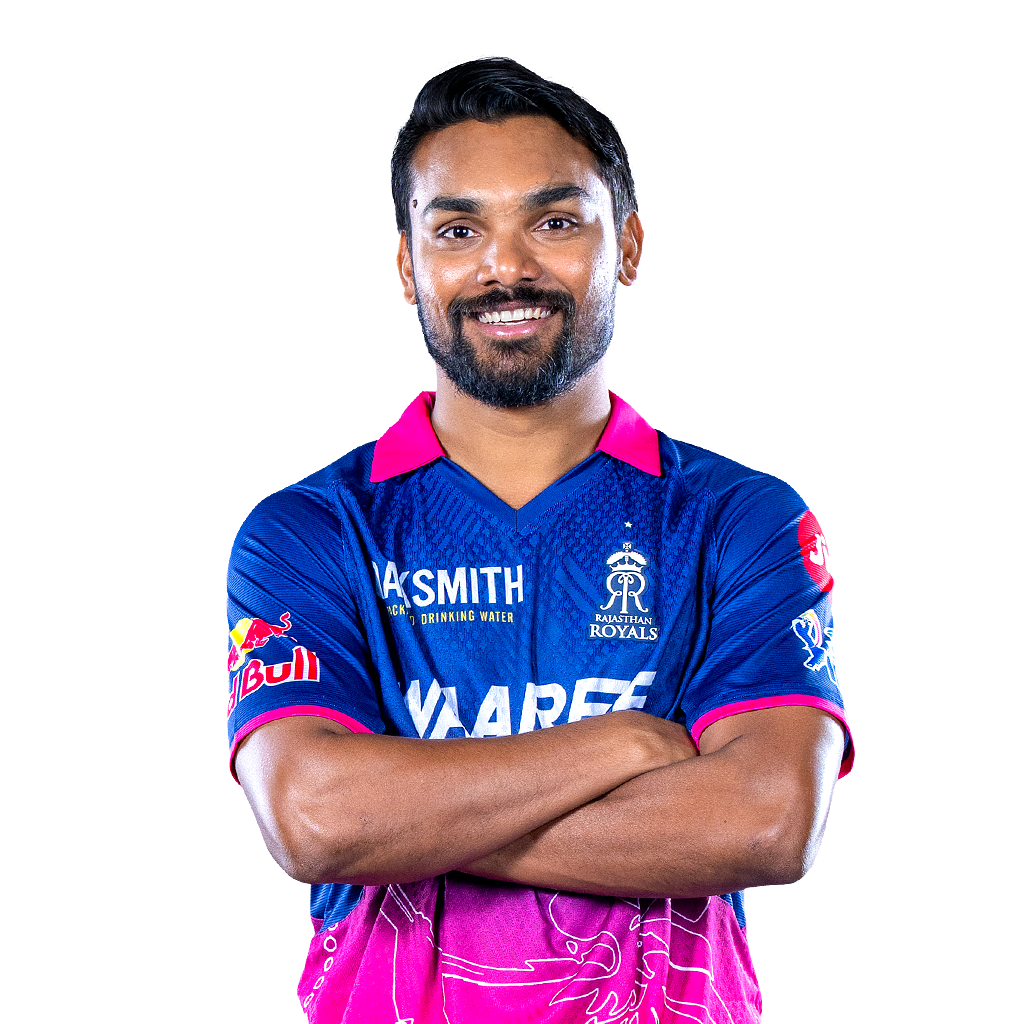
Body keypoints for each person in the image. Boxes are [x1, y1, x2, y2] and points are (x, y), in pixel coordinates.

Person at [227, 57, 855, 1023]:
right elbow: (320, 820)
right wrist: (625, 743)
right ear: (408, 267)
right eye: (458, 230)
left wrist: (411, 818)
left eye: (556, 222)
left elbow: (762, 823)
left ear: (628, 247)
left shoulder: (739, 520)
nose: (506, 267)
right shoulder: (307, 533)